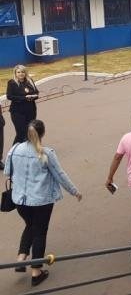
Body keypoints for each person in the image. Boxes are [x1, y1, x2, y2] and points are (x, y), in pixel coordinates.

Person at [4, 120, 82, 286]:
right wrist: (75, 191)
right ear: (42, 134)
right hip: (41, 201)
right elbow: (60, 175)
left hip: (19, 200)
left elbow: (7, 172)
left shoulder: (15, 148)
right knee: (40, 232)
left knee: (30, 226)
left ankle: (21, 257)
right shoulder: (46, 153)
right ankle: (36, 271)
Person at [7, 65, 39, 146]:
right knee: (21, 133)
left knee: (30, 132)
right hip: (17, 112)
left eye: (23, 72)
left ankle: (27, 150)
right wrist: (24, 98)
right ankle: (13, 152)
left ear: (25, 73)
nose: (21, 74)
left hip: (31, 111)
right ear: (15, 73)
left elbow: (36, 92)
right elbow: (9, 96)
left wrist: (33, 97)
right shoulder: (12, 82)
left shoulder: (30, 81)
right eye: (18, 72)